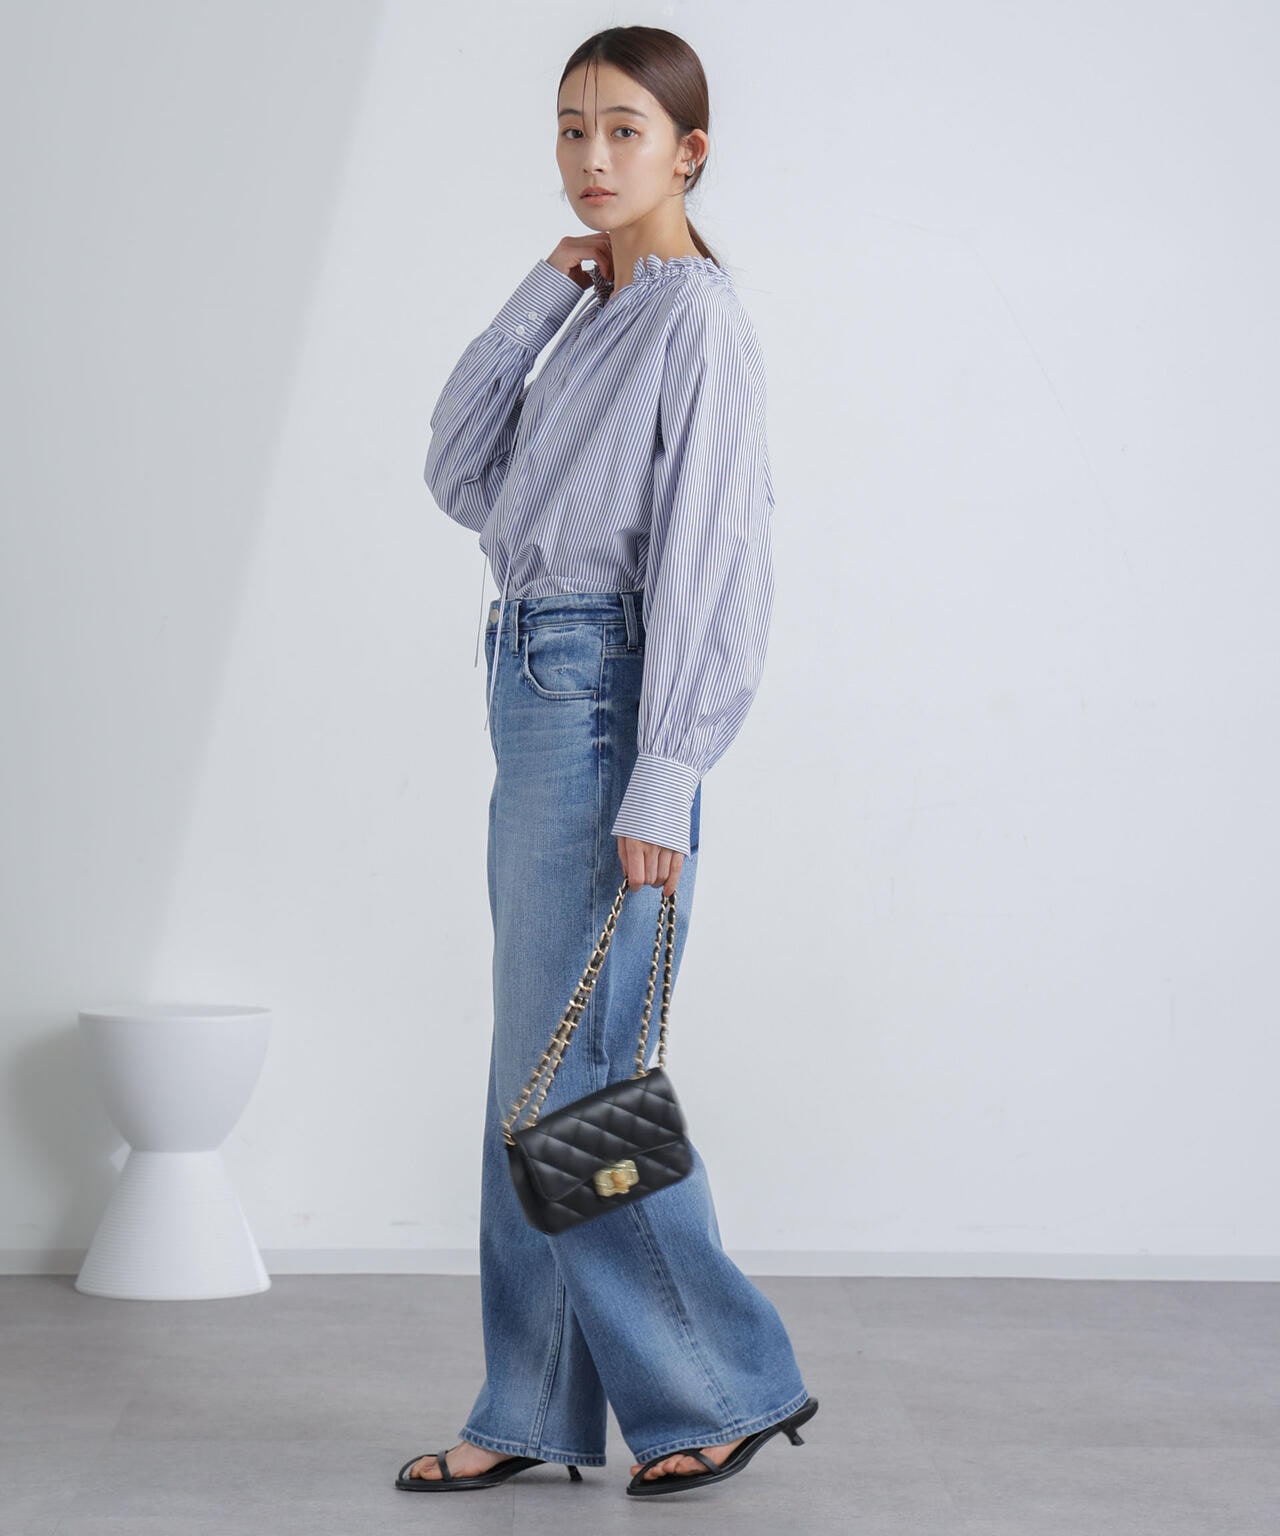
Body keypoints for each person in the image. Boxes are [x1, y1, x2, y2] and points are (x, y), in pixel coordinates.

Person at [396, 26, 817, 1498]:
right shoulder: (592, 315)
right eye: (572, 128)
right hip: (532, 683)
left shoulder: (697, 322)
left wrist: (668, 770)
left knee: (576, 1082)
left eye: (624, 130)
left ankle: (721, 1383)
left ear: (688, 152)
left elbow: (714, 559)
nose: (591, 157)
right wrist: (538, 295)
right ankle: (530, 1405)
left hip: (605, 699)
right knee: (534, 1071)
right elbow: (458, 472)